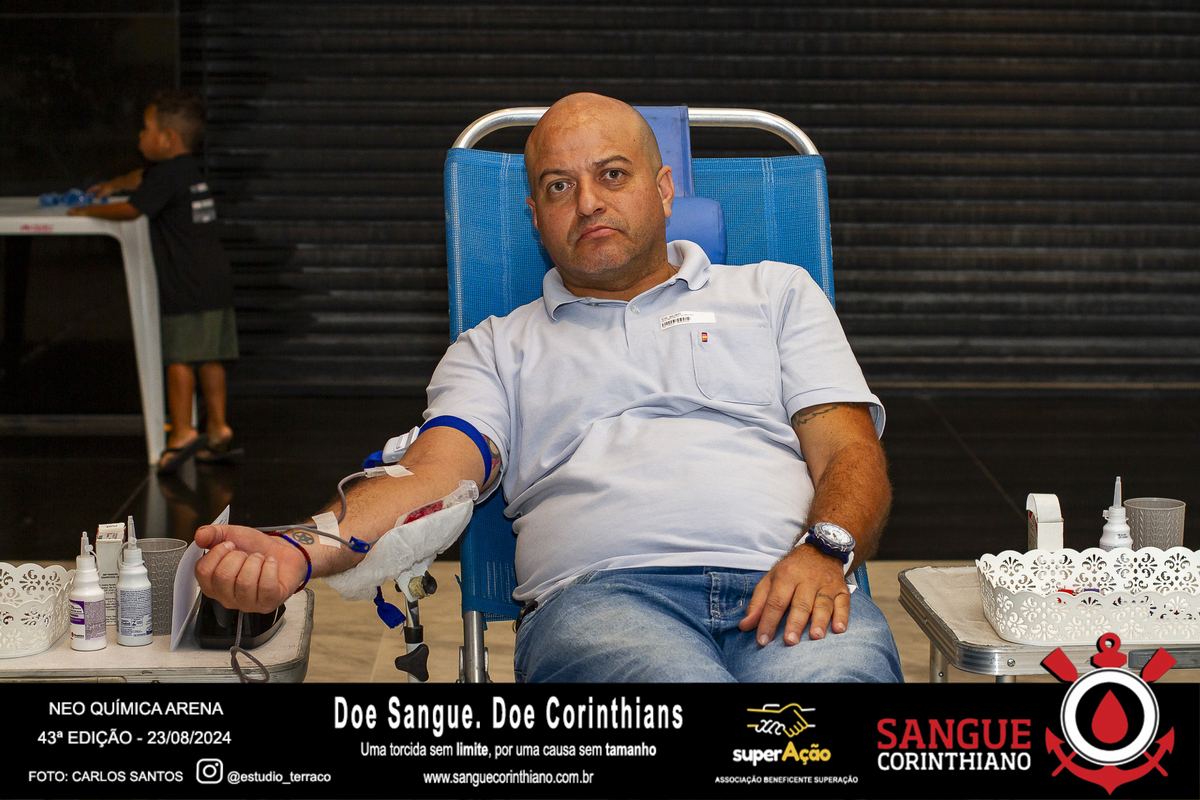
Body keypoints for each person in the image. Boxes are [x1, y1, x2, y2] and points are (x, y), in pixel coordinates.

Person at [195, 93, 903, 682]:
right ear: (535, 216)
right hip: (606, 603)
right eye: (559, 186)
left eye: (613, 175)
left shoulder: (776, 294)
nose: (589, 202)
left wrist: (826, 550)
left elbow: (850, 452)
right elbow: (431, 480)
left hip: (791, 578)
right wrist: (300, 546)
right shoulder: (496, 348)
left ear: (664, 190)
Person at [70, 89, 240, 473]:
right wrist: (113, 183)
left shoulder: (165, 175)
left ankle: (181, 433)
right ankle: (218, 429)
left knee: (179, 358)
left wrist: (88, 210)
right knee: (211, 356)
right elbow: (139, 179)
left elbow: (133, 209)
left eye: (145, 129)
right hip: (214, 280)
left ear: (167, 139)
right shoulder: (185, 170)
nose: (140, 136)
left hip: (185, 283)